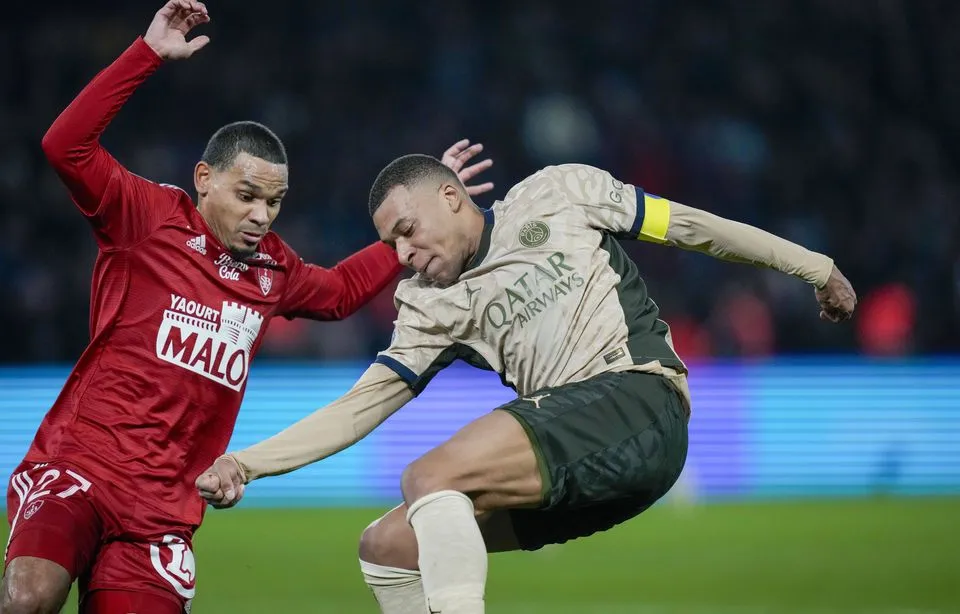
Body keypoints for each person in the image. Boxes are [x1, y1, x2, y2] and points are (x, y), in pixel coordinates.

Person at [197, 156, 857, 613]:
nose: (402, 255)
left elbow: (687, 227)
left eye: (407, 230)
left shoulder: (558, 194)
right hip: (582, 477)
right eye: (389, 244)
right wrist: (246, 463)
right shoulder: (430, 306)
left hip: (639, 399)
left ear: (451, 197)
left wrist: (811, 266)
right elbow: (355, 411)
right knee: (389, 545)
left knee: (429, 477)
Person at [1, 2, 495, 613]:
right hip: (82, 466)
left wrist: (414, 226)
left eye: (275, 202)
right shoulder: (146, 216)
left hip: (161, 513)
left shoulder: (274, 268)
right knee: (29, 598)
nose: (262, 215)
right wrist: (146, 54)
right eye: (247, 196)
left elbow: (340, 292)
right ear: (204, 178)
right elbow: (65, 146)